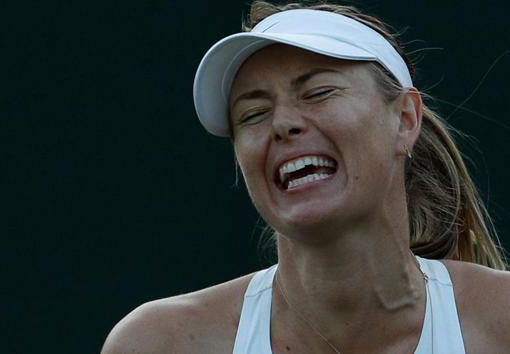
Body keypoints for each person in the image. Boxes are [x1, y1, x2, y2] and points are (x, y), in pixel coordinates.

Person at [102, 1, 510, 353]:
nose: (282, 124)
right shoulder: (159, 344)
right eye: (253, 114)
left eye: (318, 92)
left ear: (405, 120)